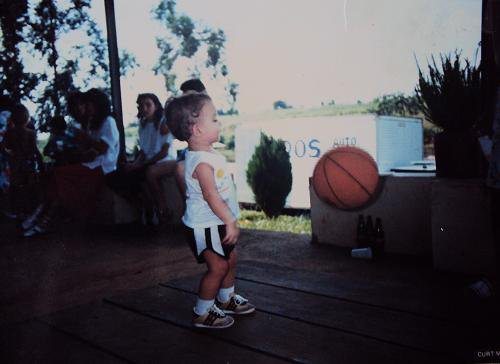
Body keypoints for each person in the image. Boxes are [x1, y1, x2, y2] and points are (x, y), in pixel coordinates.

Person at [165, 92, 254, 329]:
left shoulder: (208, 154)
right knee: (218, 267)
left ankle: (225, 298)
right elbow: (211, 196)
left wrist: (227, 220)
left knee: (230, 258)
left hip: (216, 222)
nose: (219, 122)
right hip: (204, 226)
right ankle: (202, 312)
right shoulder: (202, 163)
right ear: (196, 129)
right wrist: (231, 221)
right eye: (214, 119)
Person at [23, 88, 119, 237]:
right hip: (92, 165)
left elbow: (103, 148)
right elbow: (90, 151)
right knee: (54, 177)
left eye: (89, 105)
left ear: (98, 104)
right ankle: (42, 216)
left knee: (59, 176)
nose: (86, 108)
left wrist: (84, 138)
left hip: (102, 168)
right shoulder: (92, 124)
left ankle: (43, 218)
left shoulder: (109, 121)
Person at [3, 103, 44, 218]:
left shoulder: (9, 133)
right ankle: (29, 209)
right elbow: (35, 151)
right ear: (27, 117)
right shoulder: (31, 133)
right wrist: (40, 164)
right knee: (28, 186)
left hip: (16, 163)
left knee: (16, 186)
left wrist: (10, 156)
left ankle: (16, 210)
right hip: (28, 163)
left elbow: (4, 148)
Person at [175, 79, 208, 198]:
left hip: (202, 151)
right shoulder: (190, 112)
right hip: (190, 150)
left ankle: (190, 198)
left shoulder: (205, 111)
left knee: (180, 168)